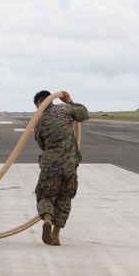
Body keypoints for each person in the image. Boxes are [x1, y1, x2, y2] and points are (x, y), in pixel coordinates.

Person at [32, 89, 89, 246]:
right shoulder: (65, 109)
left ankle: (47, 219)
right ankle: (56, 234)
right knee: (64, 198)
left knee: (45, 195)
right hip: (70, 165)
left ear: (39, 103)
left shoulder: (39, 122)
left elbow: (41, 144)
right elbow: (83, 114)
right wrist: (69, 101)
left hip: (51, 165)